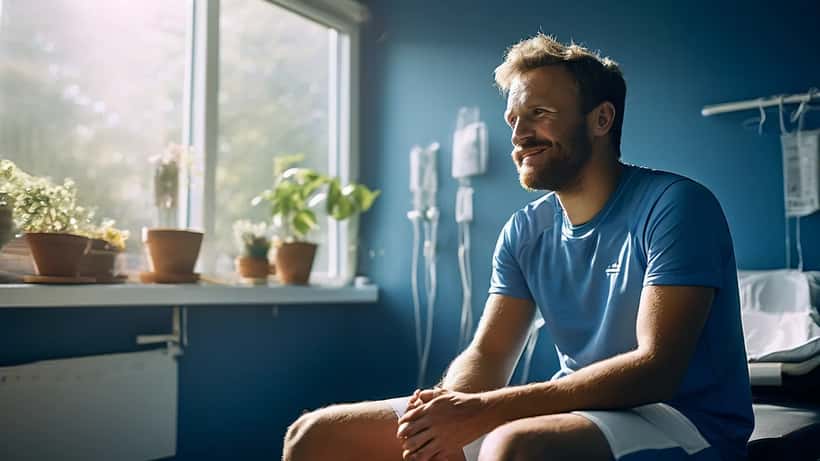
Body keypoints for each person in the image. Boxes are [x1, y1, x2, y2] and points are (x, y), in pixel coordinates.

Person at [282, 33, 753, 461]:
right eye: (513, 119)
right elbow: (488, 355)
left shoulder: (677, 206)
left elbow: (656, 369)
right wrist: (448, 412)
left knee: (516, 445)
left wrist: (483, 412)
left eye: (539, 114)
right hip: (583, 409)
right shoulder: (525, 231)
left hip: (681, 418)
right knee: (314, 436)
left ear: (601, 119)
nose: (518, 135)